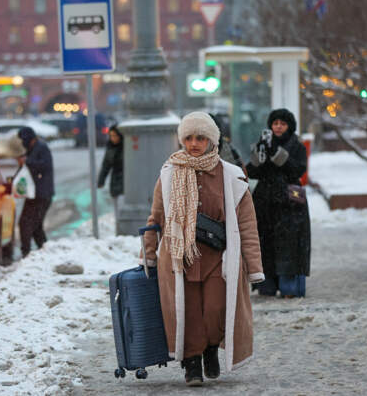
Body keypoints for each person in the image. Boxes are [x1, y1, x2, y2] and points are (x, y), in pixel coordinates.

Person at [142, 111, 264, 386]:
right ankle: (192, 364)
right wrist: (148, 255)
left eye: (200, 138)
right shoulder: (169, 172)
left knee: (215, 309)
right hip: (179, 257)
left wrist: (254, 267)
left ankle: (211, 348)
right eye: (188, 138)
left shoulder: (231, 176)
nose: (194, 143)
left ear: (212, 141)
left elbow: (247, 225)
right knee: (188, 312)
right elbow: (156, 218)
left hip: (217, 258)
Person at [246, 108, 311, 298]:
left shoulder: (296, 146)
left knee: (290, 243)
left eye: (282, 123)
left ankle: (289, 285)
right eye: (275, 123)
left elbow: (297, 170)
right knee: (265, 242)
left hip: (290, 202)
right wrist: (259, 155)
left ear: (289, 126)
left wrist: (277, 154)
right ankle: (267, 284)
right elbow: (252, 171)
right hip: (265, 202)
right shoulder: (263, 144)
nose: (279, 127)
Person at [16, 127, 54, 258]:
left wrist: (27, 161)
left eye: (23, 139)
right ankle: (44, 252)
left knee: (27, 224)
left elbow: (45, 165)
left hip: (41, 194)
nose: (22, 143)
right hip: (35, 194)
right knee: (35, 226)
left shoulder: (41, 148)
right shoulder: (32, 149)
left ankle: (27, 253)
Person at [97, 124, 123, 217]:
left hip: (126, 183)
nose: (113, 138)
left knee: (122, 209)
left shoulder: (126, 146)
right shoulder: (110, 147)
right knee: (117, 210)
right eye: (111, 136)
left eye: (115, 136)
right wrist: (101, 181)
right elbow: (106, 165)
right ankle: (119, 228)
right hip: (115, 182)